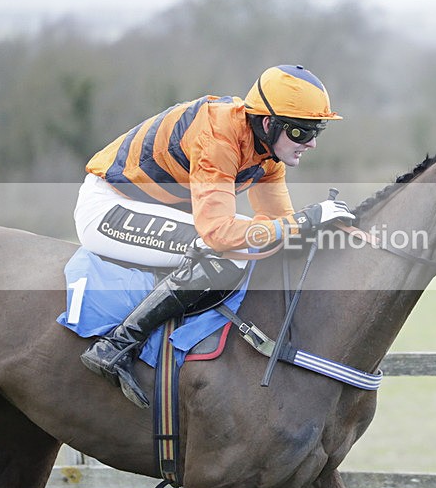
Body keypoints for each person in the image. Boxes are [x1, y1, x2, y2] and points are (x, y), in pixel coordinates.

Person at [73, 64, 354, 408]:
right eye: (300, 132)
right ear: (269, 123)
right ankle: (116, 346)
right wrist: (304, 221)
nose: (310, 143)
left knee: (255, 239)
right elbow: (220, 234)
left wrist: (325, 232)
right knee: (228, 248)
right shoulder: (219, 136)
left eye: (317, 131)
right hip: (110, 207)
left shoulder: (267, 155)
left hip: (164, 209)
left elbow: (281, 230)